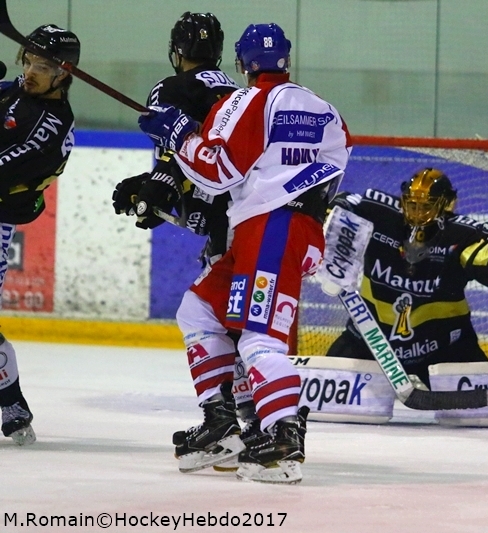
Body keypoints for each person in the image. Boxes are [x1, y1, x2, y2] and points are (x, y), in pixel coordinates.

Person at [137, 22, 351, 484]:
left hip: (269, 231)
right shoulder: (323, 108)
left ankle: (282, 440)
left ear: (241, 64)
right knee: (198, 309)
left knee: (259, 339)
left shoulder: (245, 102)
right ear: (286, 59)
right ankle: (221, 424)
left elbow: (218, 172)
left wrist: (178, 134)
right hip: (290, 229)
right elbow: (330, 160)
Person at [110, 12, 258, 459]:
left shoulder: (169, 89)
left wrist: (158, 187)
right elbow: (212, 157)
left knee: (207, 317)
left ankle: (227, 424)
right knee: (239, 321)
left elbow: (178, 155)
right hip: (251, 215)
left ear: (176, 52)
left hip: (226, 228)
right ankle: (251, 425)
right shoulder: (240, 94)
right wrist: (154, 187)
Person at [325, 168, 488, 389]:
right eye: (413, 205)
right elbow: (344, 203)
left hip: (445, 349)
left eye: (427, 206)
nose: (418, 213)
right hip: (368, 343)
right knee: (321, 399)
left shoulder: (463, 234)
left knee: (483, 409)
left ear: (447, 204)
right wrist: (334, 213)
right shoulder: (380, 215)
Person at [0, 24, 81, 445]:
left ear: (63, 73)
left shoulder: (52, 124)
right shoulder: (16, 90)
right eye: (28, 60)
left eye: (43, 65)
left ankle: (12, 403)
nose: (30, 71)